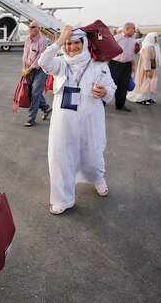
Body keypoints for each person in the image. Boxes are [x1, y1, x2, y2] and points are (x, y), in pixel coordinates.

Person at [38, 25, 116, 215]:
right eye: (69, 43)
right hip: (63, 122)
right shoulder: (60, 63)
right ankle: (63, 199)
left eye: (76, 43)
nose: (73, 47)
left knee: (93, 155)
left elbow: (111, 90)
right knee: (60, 158)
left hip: (91, 121)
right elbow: (43, 61)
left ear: (85, 43)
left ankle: (98, 178)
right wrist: (59, 40)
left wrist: (105, 92)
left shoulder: (98, 64)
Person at [22, 21, 52, 126]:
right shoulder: (27, 40)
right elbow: (25, 55)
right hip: (28, 69)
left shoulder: (42, 41)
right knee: (32, 93)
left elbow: (40, 58)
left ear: (38, 29)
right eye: (29, 27)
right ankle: (46, 108)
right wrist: (24, 68)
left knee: (35, 92)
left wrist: (28, 69)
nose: (30, 29)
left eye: (33, 27)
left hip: (40, 70)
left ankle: (31, 118)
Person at [127, 32, 161, 105]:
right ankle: (140, 98)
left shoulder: (153, 46)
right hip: (146, 69)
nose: (156, 39)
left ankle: (147, 97)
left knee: (149, 83)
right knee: (144, 83)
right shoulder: (147, 48)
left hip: (151, 67)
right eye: (155, 38)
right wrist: (148, 70)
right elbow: (146, 59)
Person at [109, 22, 137, 112]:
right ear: (127, 28)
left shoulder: (133, 40)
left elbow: (132, 54)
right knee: (110, 83)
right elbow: (110, 51)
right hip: (115, 64)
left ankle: (120, 104)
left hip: (127, 65)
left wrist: (133, 65)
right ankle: (102, 102)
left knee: (123, 85)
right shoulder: (117, 38)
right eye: (133, 28)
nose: (134, 30)